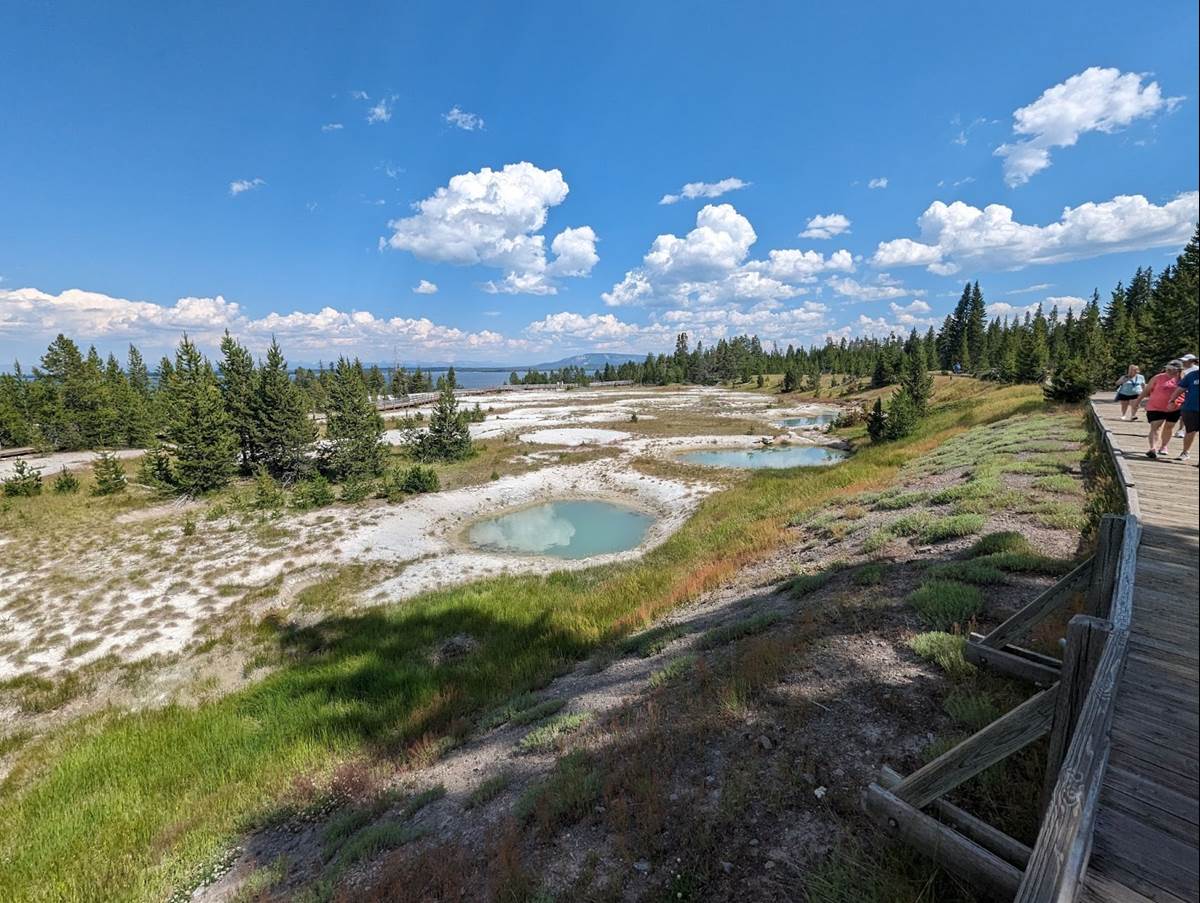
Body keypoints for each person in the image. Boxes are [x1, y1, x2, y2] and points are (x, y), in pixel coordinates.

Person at [1135, 360, 1184, 459]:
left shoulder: (1183, 379)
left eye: (1171, 369)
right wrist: (1138, 400)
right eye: (1167, 369)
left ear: (1178, 370)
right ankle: (1153, 448)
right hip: (1156, 406)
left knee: (1169, 427)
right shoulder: (1158, 377)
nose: (1168, 371)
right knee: (1155, 426)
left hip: (1175, 407)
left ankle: (1164, 446)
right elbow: (1147, 390)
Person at [1169, 357, 1200, 463]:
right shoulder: (1191, 375)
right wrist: (1172, 401)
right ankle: (1185, 452)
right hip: (1190, 408)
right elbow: (1180, 389)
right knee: (1190, 431)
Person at [1172, 353, 1198, 439]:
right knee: (1184, 413)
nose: (1183, 362)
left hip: (1190, 395)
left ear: (1191, 361)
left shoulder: (1195, 370)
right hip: (1184, 393)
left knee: (1186, 413)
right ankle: (1181, 429)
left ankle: (1182, 430)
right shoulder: (1184, 369)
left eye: (1185, 361)